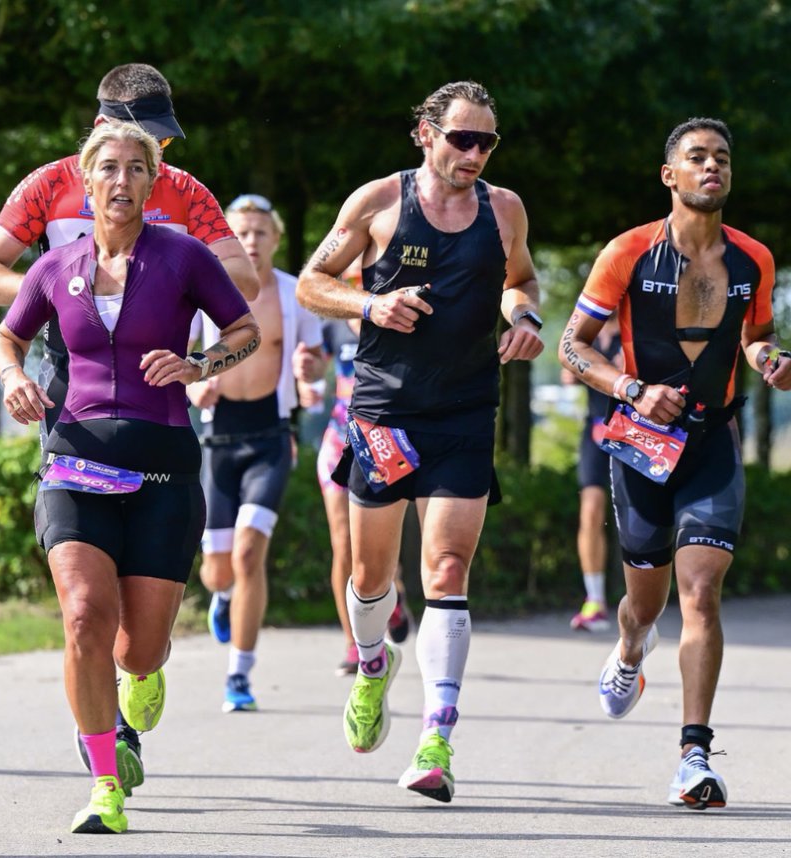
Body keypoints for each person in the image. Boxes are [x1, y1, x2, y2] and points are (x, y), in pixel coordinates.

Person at [0, 61, 257, 785]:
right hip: (73, 397)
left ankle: (137, 675)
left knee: (141, 638)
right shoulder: (49, 184)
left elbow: (241, 283)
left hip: (159, 410)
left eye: (155, 147)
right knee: (87, 610)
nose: (145, 164)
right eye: (134, 143)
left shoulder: (180, 190)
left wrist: (187, 331)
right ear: (99, 128)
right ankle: (107, 750)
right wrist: (62, 293)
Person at [296, 80, 543, 804]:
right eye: (462, 138)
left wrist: (523, 315)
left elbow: (520, 278)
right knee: (373, 580)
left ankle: (437, 736)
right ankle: (375, 664)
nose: (474, 154)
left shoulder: (505, 208)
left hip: (465, 409)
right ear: (424, 135)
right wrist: (370, 302)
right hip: (383, 409)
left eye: (487, 141)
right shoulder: (377, 202)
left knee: (445, 568)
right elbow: (313, 283)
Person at [560, 117, 789, 810]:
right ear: (671, 175)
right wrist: (630, 388)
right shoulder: (627, 252)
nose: (712, 167)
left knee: (702, 591)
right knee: (645, 605)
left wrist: (772, 361)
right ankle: (630, 651)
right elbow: (574, 347)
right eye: (697, 157)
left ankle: (694, 755)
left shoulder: (755, 259)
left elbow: (758, 336)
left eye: (722, 157)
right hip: (640, 450)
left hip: (712, 444)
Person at [187, 193, 323, 712]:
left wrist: (310, 374)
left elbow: (312, 360)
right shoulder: (205, 297)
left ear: (275, 239)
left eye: (260, 232)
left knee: (249, 555)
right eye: (240, 233)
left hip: (270, 436)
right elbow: (181, 361)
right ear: (227, 242)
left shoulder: (294, 294)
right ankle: (222, 598)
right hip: (216, 442)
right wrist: (193, 386)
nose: (250, 241)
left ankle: (239, 676)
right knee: (218, 571)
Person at [302, 259, 412, 676]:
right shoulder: (331, 325)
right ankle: (353, 643)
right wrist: (307, 372)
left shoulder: (393, 322)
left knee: (379, 547)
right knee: (343, 545)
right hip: (337, 441)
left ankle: (393, 594)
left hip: (384, 442)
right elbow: (312, 366)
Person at [561, 314, 622, 632]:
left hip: (634, 431)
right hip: (596, 430)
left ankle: (642, 598)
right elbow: (568, 374)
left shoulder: (636, 327)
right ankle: (595, 600)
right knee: (591, 511)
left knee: (636, 514)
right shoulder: (589, 331)